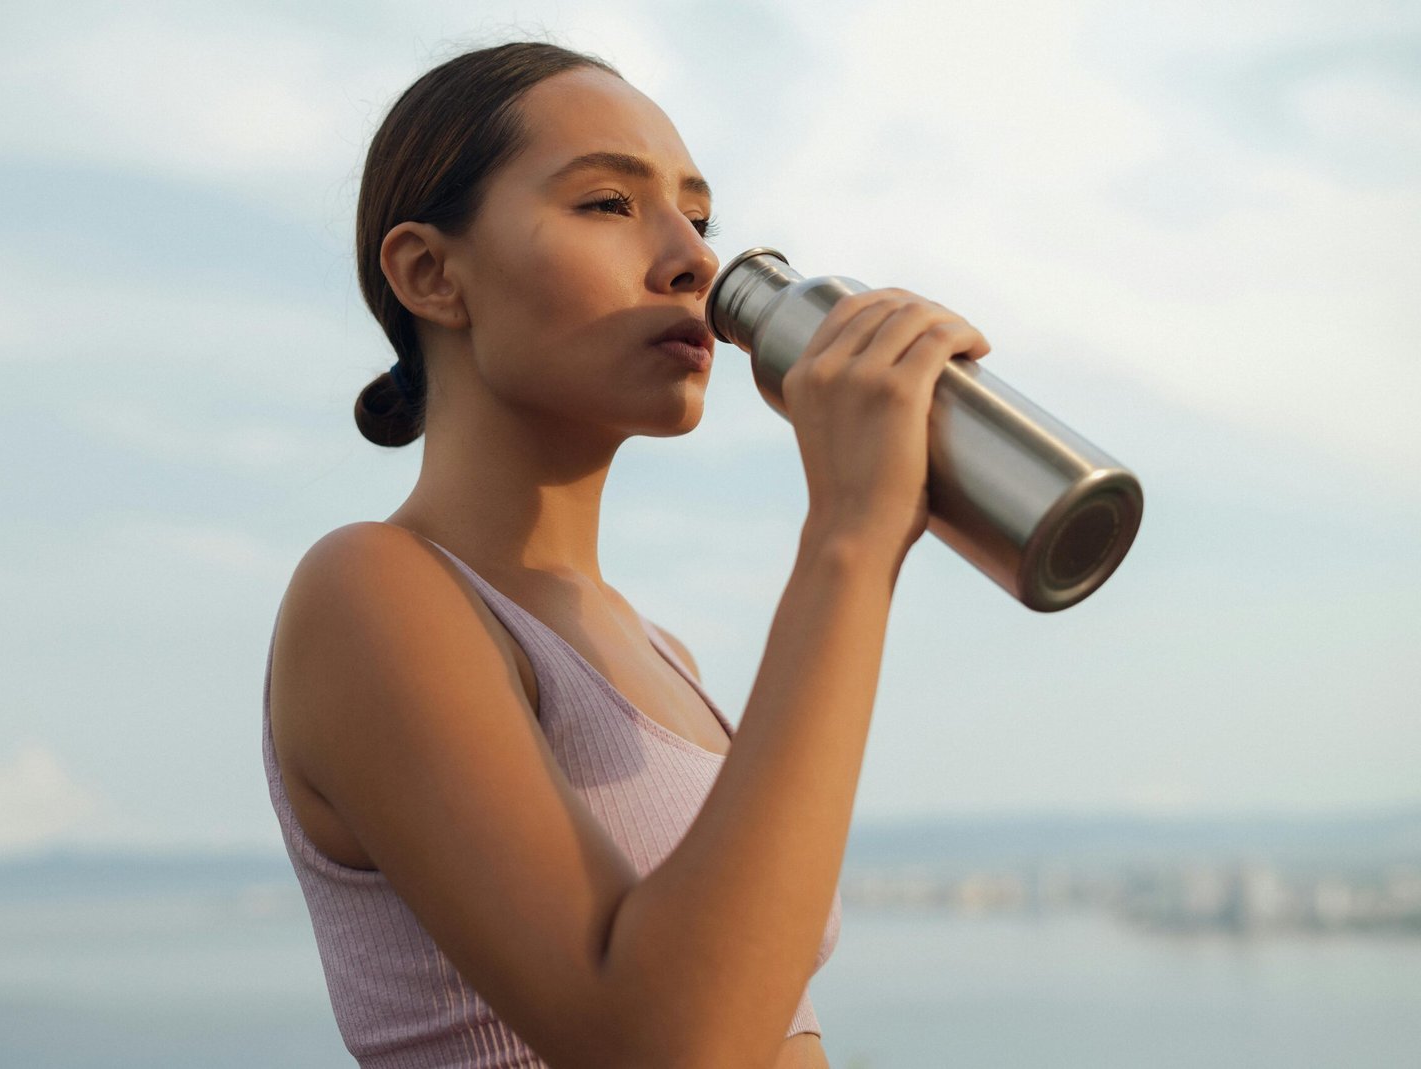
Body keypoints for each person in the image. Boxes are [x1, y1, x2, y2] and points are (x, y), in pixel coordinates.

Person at [262, 40, 991, 1069]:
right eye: (608, 204)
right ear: (430, 273)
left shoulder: (663, 656)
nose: (693, 259)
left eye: (698, 217)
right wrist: (850, 538)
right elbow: (666, 1043)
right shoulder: (371, 593)